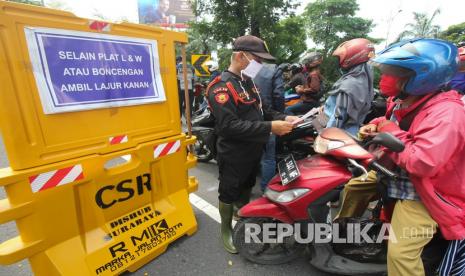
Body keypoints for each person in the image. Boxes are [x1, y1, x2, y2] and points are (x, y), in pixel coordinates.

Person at [336, 38, 465, 276]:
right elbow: (389, 122)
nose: (385, 77)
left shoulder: (447, 113)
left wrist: (388, 131)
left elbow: (422, 163)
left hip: (425, 191)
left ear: (422, 76)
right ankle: (344, 232)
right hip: (393, 171)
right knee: (354, 186)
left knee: (401, 254)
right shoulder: (403, 100)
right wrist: (374, 125)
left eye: (393, 72)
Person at [205, 35, 298, 254]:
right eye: (258, 60)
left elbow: (264, 111)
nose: (261, 65)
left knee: (247, 184)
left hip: (253, 149)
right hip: (233, 152)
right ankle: (226, 230)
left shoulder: (249, 83)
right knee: (228, 191)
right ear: (240, 56)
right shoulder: (221, 87)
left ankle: (241, 213)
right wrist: (270, 128)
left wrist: (284, 118)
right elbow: (229, 126)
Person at [319, 38, 375, 136]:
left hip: (338, 135)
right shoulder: (364, 80)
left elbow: (338, 117)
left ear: (351, 58)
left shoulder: (350, 84)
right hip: (352, 132)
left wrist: (324, 136)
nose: (339, 62)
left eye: (340, 58)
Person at [253, 63, 285, 192]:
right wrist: (280, 115)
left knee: (250, 153)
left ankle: (244, 191)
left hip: (248, 119)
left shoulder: (244, 69)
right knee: (268, 157)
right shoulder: (273, 69)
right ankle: (266, 189)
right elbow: (279, 95)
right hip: (269, 119)